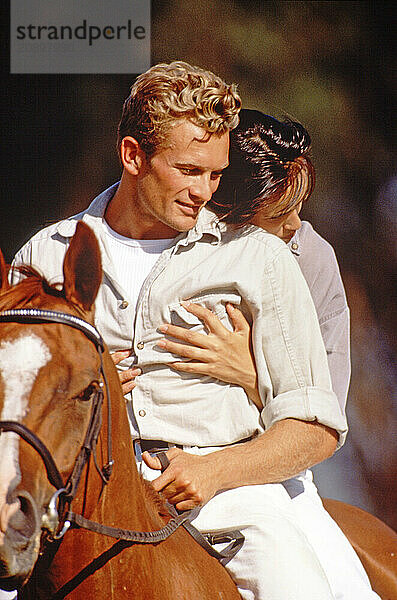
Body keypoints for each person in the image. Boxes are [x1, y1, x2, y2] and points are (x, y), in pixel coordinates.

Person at [12, 62, 362, 599]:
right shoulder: (44, 255)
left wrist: (215, 470)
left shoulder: (259, 257)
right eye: (189, 171)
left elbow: (314, 426)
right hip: (73, 502)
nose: (205, 192)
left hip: (233, 505)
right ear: (133, 156)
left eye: (216, 174)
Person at [151, 109, 378, 599]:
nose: (297, 224)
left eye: (301, 206)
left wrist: (251, 374)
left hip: (271, 472)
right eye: (279, 214)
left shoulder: (313, 258)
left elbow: (327, 410)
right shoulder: (175, 242)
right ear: (230, 210)